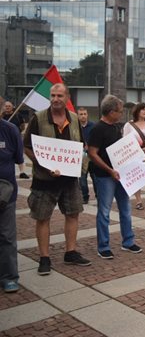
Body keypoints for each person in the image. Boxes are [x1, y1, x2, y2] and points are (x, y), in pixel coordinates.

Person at [23, 83, 91, 275]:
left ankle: (70, 252)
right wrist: (44, 164)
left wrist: (80, 159)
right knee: (43, 217)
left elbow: (80, 144)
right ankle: (44, 258)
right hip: (45, 180)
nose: (55, 99)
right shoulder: (38, 118)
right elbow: (27, 146)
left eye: (60, 96)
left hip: (69, 179)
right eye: (52, 95)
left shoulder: (75, 119)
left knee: (73, 214)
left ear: (67, 97)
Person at [88, 96, 143, 259]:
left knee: (125, 208)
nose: (121, 114)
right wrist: (109, 170)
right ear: (111, 112)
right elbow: (92, 153)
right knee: (104, 211)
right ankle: (103, 246)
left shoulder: (117, 127)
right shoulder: (98, 128)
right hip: (105, 176)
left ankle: (128, 241)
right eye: (119, 111)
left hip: (121, 174)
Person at [0, 110, 24, 293]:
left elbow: (18, 158)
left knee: (7, 235)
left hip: (5, 192)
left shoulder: (10, 130)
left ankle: (9, 276)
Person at [123, 102, 145, 210]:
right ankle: (138, 201)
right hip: (134, 155)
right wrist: (136, 150)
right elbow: (125, 141)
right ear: (137, 111)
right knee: (137, 177)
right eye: (143, 109)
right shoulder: (129, 125)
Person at [2, 101, 29, 179]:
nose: (7, 107)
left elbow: (22, 125)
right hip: (5, 139)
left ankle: (22, 172)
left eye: (9, 106)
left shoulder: (17, 115)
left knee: (19, 153)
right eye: (6, 106)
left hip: (15, 138)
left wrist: (18, 132)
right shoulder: (2, 116)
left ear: (12, 107)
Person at [77, 107, 96, 204]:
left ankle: (98, 196)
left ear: (87, 115)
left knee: (95, 178)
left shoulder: (93, 126)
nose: (83, 116)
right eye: (81, 114)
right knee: (82, 179)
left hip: (92, 157)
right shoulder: (75, 126)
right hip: (81, 157)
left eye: (85, 114)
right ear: (77, 115)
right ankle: (85, 197)